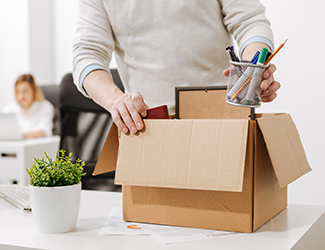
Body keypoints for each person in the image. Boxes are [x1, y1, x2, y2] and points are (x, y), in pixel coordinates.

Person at [73, 0, 280, 134]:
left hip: (222, 123)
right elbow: (88, 53)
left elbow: (250, 21)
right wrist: (116, 101)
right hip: (149, 128)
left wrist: (252, 69)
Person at [1, 74, 54, 138]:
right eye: (18, 92)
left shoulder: (45, 107)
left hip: (37, 146)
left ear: (33, 91)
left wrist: (18, 136)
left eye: (25, 91)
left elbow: (44, 132)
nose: (21, 96)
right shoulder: (9, 109)